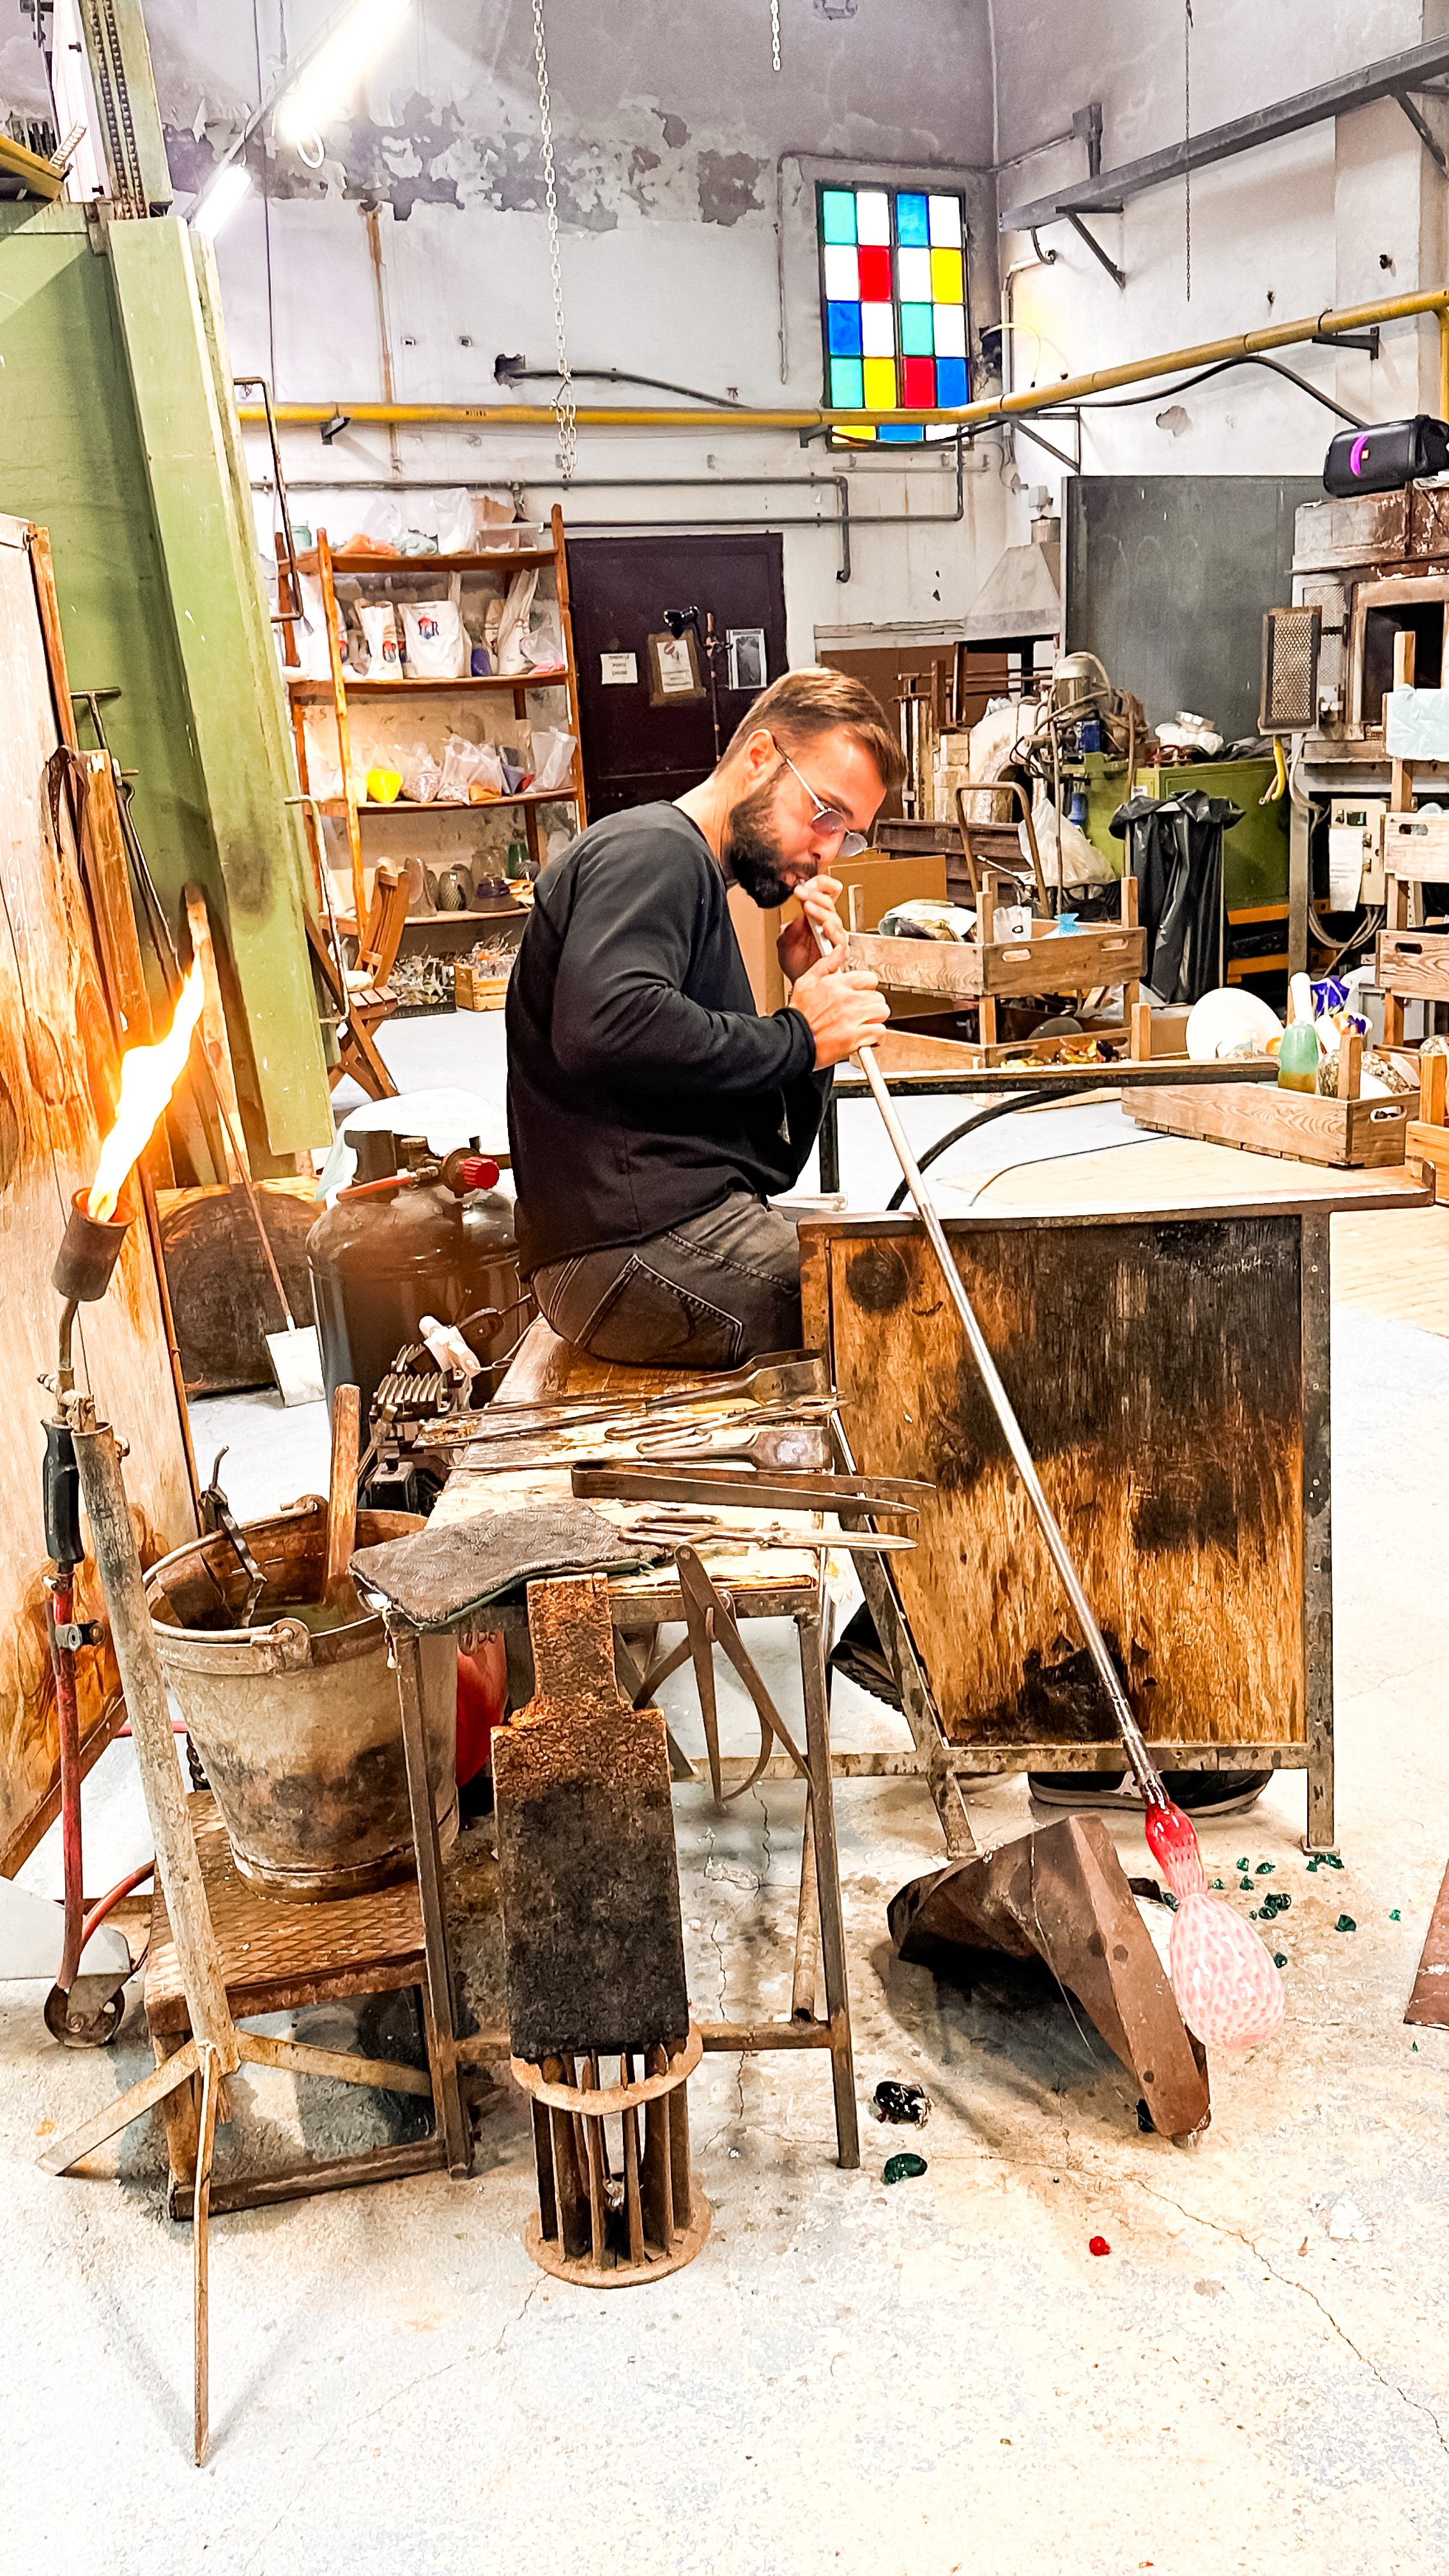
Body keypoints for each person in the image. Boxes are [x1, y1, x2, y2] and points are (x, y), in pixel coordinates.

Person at [505, 664, 901, 1368]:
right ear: (758, 758)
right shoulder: (655, 852)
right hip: (625, 1247)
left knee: (890, 1258)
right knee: (899, 1308)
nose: (828, 851)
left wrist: (807, 1024)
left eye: (849, 834)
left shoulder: (693, 883)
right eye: (825, 813)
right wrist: (798, 1036)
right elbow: (603, 1025)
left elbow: (767, 1159)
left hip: (653, 1232)